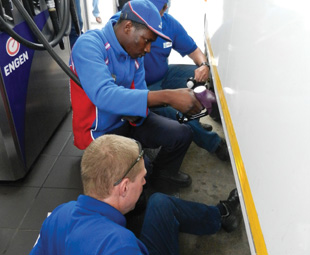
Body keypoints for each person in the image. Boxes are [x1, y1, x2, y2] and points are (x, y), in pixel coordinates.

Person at [30, 134, 241, 255]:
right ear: (123, 188)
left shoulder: (60, 214)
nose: (145, 182)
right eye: (141, 178)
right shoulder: (121, 246)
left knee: (160, 203)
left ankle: (219, 215)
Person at [69, 0, 203, 188]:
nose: (147, 49)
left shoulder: (135, 54)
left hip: (129, 120)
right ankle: (142, 184)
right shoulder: (89, 45)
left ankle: (161, 175)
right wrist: (168, 97)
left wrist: (162, 105)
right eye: (146, 40)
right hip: (99, 133)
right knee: (137, 171)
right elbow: (103, 94)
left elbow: (140, 92)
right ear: (128, 27)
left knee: (182, 133)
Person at [143, 0, 229, 161]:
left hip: (164, 75)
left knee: (200, 77)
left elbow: (193, 50)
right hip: (143, 87)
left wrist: (203, 65)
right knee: (177, 112)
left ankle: (198, 117)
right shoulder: (128, 23)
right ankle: (214, 143)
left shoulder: (169, 23)